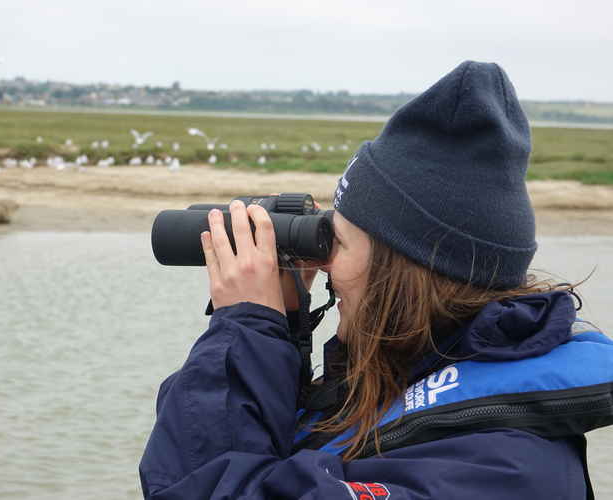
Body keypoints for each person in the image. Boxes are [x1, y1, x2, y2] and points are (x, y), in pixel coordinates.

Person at [139, 61, 613, 499]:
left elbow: (198, 487)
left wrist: (244, 328)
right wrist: (282, 331)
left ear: (401, 270)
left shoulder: (503, 470)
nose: (322, 264)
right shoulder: (420, 379)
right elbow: (282, 464)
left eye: (337, 243)